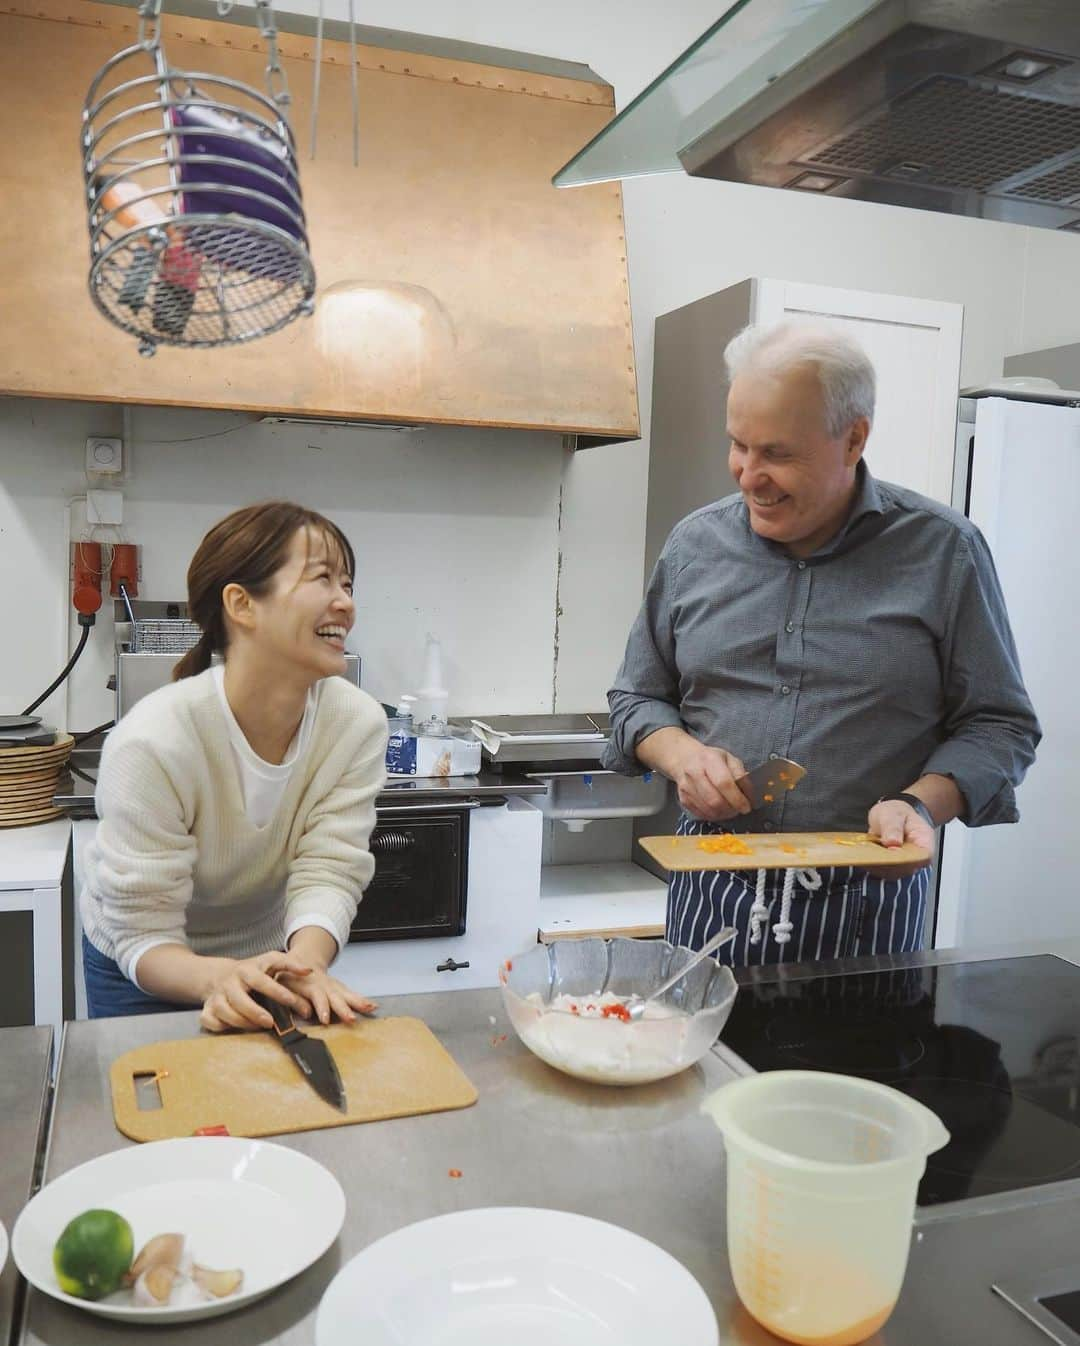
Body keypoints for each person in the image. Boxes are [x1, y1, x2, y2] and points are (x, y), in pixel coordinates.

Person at [604, 321, 1040, 966]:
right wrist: (680, 756)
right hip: (710, 893)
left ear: (853, 439)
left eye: (777, 454)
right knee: (706, 1065)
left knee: (857, 1066)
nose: (749, 476)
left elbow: (1000, 726)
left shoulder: (945, 552)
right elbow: (637, 697)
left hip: (867, 905)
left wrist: (918, 805)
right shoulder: (694, 547)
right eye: (738, 445)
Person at [81, 501, 388, 1030]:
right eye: (323, 579)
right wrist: (217, 979)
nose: (346, 604)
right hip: (144, 965)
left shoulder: (356, 723)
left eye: (348, 585)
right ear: (242, 605)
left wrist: (303, 966)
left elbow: (330, 868)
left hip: (268, 962)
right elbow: (140, 929)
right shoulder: (155, 741)